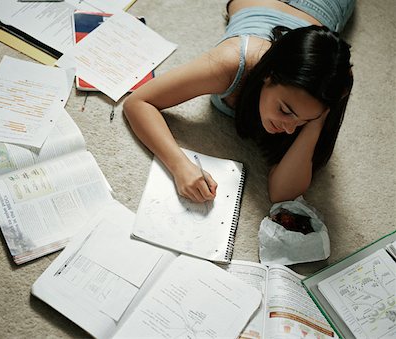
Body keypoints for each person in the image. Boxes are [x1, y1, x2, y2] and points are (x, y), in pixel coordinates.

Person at [123, 0, 355, 203]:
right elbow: (138, 102)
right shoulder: (232, 63)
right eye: (285, 111)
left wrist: (317, 122)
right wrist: (179, 165)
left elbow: (282, 194)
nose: (289, 128)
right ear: (268, 75)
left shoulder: (333, 83)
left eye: (304, 120)